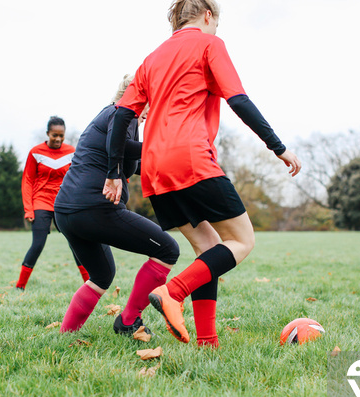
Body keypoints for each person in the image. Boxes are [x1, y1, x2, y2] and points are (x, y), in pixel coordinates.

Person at [105, 0, 302, 347]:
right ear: (208, 16)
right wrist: (278, 146)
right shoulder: (210, 43)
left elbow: (121, 117)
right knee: (242, 240)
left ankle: (207, 342)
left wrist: (114, 171)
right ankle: (173, 292)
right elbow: (238, 99)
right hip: (191, 160)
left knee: (208, 248)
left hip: (154, 169)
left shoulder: (151, 59)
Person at [54, 76, 180, 334]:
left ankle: (66, 335)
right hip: (94, 208)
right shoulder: (121, 113)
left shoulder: (114, 118)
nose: (151, 109)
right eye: (151, 101)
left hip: (67, 212)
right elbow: (122, 146)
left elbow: (131, 159)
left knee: (102, 275)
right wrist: (165, 148)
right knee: (168, 250)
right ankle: (127, 322)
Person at [15, 116, 89, 290]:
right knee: (38, 244)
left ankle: (89, 285)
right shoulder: (35, 152)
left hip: (64, 203)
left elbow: (79, 178)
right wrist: (29, 209)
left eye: (61, 135)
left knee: (76, 244)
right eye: (54, 135)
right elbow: (27, 180)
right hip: (41, 201)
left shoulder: (72, 151)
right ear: (48, 133)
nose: (57, 139)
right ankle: (20, 286)